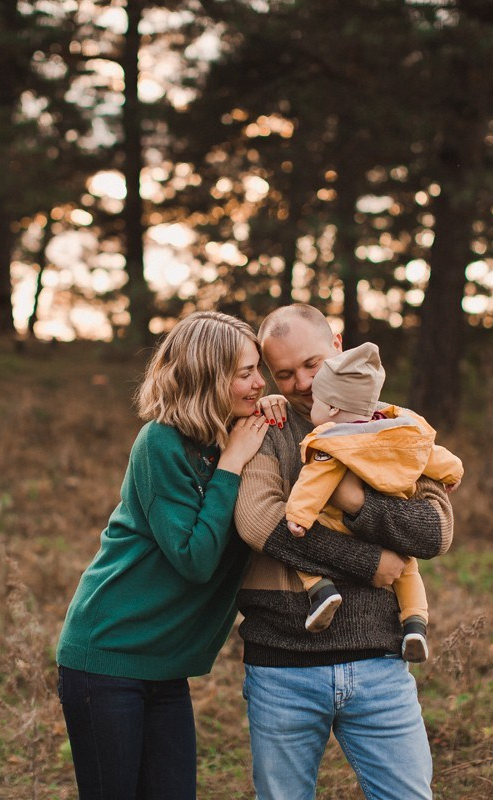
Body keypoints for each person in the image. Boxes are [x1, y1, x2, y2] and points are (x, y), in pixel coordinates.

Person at [235, 304, 455, 800]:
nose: (302, 383)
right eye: (284, 374)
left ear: (338, 345)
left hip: (380, 661)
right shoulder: (266, 429)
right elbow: (257, 520)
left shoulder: (395, 427)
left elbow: (435, 532)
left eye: (312, 364)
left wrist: (355, 502)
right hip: (282, 666)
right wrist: (370, 562)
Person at [56, 310, 270, 800]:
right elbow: (195, 558)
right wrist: (232, 465)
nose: (260, 383)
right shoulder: (161, 442)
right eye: (245, 373)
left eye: (259, 369)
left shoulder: (236, 435)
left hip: (165, 667)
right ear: (208, 378)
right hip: (109, 657)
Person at [284, 341, 463, 664]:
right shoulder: (396, 431)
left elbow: (314, 482)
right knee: (408, 570)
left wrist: (299, 515)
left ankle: (322, 591)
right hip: (390, 523)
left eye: (317, 402)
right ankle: (415, 625)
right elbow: (430, 455)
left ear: (332, 408)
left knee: (302, 544)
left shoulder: (332, 441)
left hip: (340, 525)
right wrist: (453, 472)